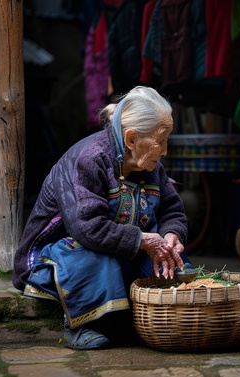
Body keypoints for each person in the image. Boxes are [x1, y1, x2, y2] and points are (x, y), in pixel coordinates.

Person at [12, 86, 190, 350]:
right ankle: (84, 324)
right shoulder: (90, 159)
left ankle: (153, 321)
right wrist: (142, 240)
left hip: (120, 248)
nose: (164, 150)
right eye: (160, 141)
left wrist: (171, 235)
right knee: (96, 256)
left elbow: (171, 210)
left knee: (173, 261)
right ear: (131, 139)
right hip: (59, 253)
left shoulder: (151, 166)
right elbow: (88, 228)